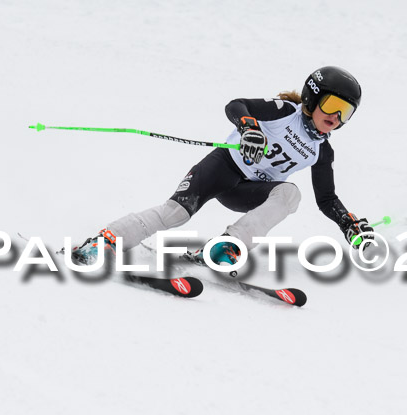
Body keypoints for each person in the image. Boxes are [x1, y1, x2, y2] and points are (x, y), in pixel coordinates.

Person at [71, 66, 375, 266]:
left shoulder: (321, 151)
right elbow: (236, 105)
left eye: (346, 112)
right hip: (222, 168)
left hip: (247, 191)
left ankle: (227, 247)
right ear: (313, 97)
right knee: (175, 213)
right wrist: (249, 127)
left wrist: (348, 224)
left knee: (290, 194)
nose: (336, 117)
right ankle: (105, 240)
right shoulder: (284, 111)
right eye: (333, 105)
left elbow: (327, 199)